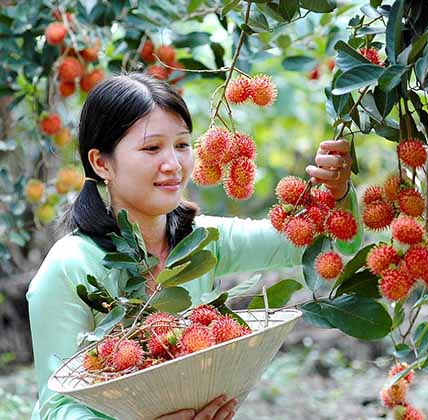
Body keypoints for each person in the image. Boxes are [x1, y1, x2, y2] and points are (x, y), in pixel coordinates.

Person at [26, 73, 359, 420]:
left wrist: (335, 195)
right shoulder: (69, 267)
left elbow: (317, 243)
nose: (173, 164)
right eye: (152, 148)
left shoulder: (200, 241)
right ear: (101, 163)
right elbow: (58, 407)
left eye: (182, 145)